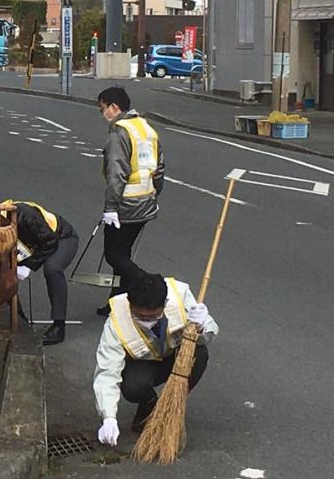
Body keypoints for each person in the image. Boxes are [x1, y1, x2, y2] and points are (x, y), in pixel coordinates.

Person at [93, 271, 217, 446]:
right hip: (144, 365)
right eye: (139, 317)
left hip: (176, 355)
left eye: (152, 317)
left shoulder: (179, 295)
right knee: (133, 386)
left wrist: (204, 325)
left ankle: (171, 405)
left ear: (164, 304)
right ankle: (149, 404)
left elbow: (208, 335)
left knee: (200, 353)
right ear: (129, 304)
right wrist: (108, 418)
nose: (146, 321)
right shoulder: (115, 322)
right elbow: (107, 372)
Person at [96, 86, 165, 315]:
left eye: (103, 108)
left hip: (125, 205)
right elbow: (159, 167)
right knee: (123, 253)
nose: (102, 113)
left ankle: (149, 286)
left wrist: (110, 208)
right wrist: (154, 194)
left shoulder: (120, 134)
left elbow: (117, 174)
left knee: (114, 254)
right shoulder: (146, 129)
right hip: (145, 202)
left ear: (114, 107)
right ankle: (117, 302)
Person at [0, 200, 78, 346]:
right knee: (3, 269)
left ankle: (59, 327)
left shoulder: (26, 216)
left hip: (61, 237)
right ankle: (20, 319)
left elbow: (50, 242)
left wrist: (28, 266)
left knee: (53, 269)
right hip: (34, 243)